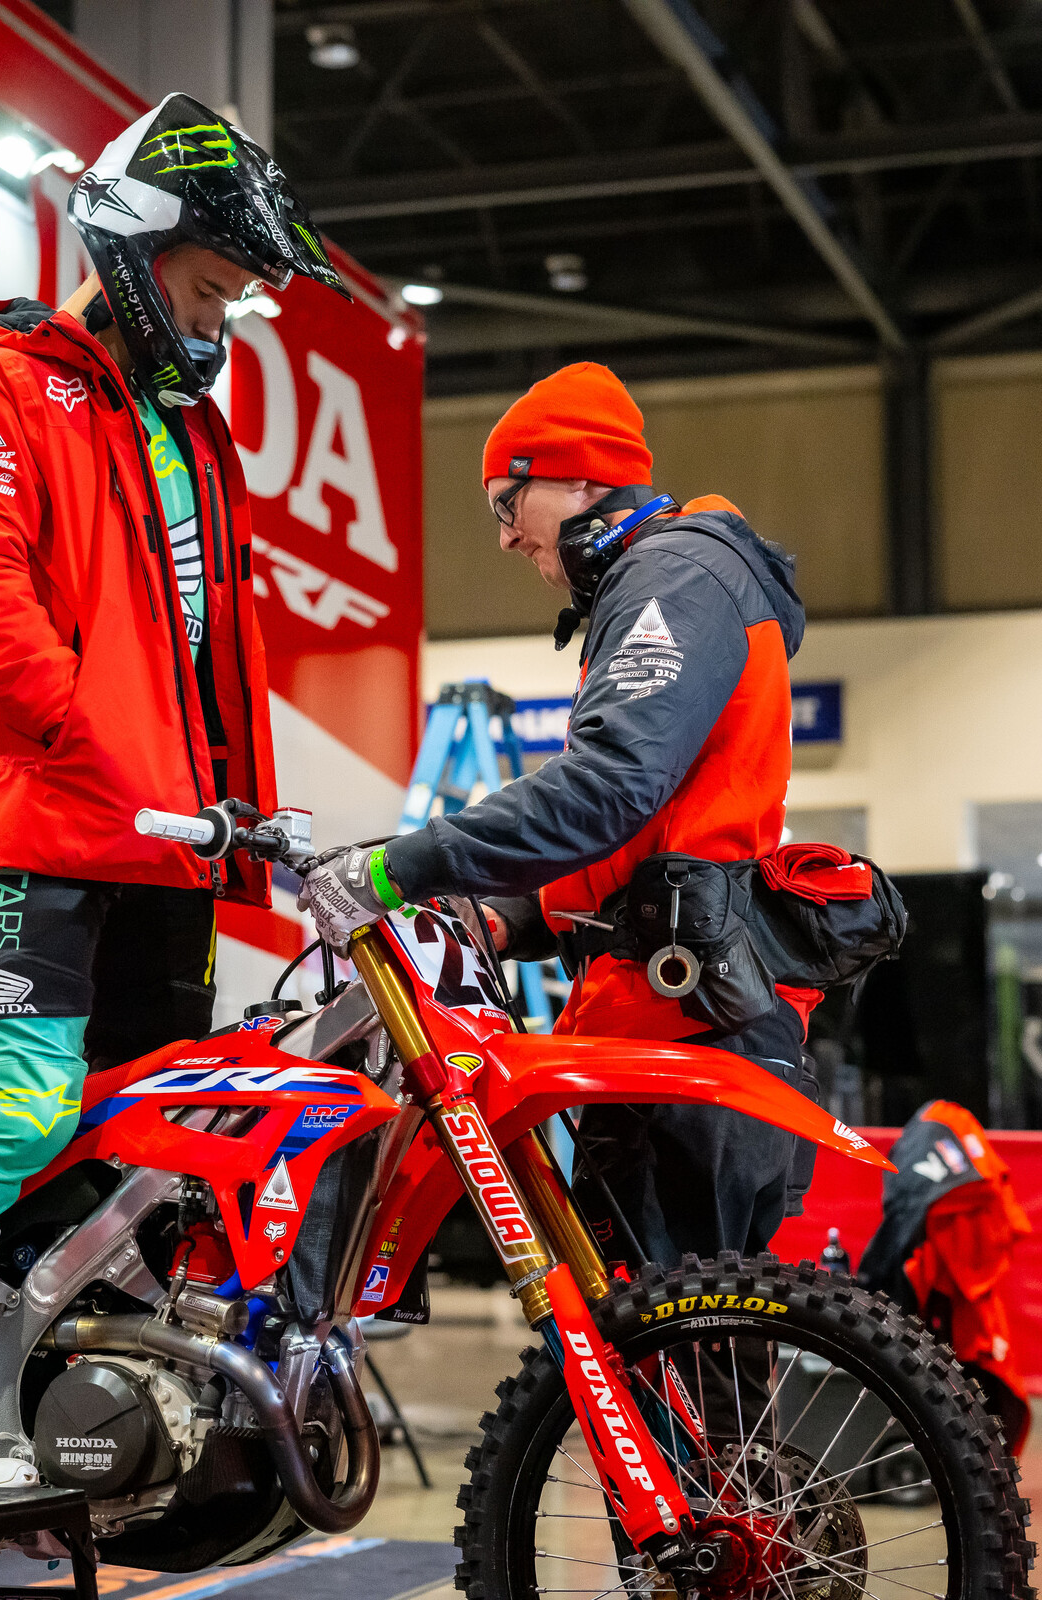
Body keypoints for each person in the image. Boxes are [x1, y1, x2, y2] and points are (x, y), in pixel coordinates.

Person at [0, 94, 348, 1486]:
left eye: (237, 298)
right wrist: (82, 730)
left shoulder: (181, 432)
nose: (223, 321)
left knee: (136, 1160)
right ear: (134, 246)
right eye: (211, 286)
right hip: (48, 826)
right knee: (20, 1113)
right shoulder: (2, 381)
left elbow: (196, 656)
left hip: (168, 849)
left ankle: (70, 1427)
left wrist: (234, 810)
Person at [299, 360, 820, 1274]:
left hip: (685, 1025)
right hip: (682, 1014)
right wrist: (510, 922)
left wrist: (397, 868)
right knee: (687, 1373)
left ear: (578, 475)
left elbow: (608, 789)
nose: (504, 537)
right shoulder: (677, 579)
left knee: (666, 1357)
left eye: (509, 502)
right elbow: (643, 837)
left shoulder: (675, 578)